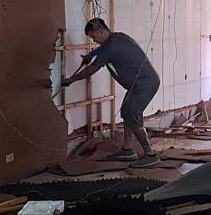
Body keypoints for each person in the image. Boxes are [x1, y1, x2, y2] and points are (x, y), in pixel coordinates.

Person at [62, 18, 161, 166]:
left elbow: (93, 68)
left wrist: (71, 79)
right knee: (126, 111)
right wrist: (91, 55)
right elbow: (102, 49)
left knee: (132, 113)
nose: (94, 40)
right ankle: (127, 149)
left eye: (94, 37)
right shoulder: (116, 38)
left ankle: (150, 155)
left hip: (145, 84)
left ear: (101, 31)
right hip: (138, 84)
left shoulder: (112, 46)